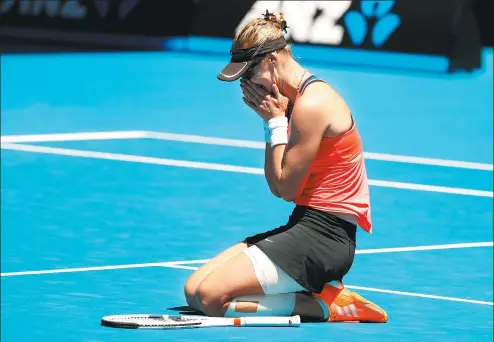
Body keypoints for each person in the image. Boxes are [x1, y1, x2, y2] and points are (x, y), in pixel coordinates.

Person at [183, 11, 388, 323]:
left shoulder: (311, 105)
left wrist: (276, 122)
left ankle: (324, 305)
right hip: (304, 225)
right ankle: (317, 293)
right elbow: (278, 187)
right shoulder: (289, 102)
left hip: (325, 240)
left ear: (274, 59)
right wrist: (272, 124)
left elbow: (287, 188)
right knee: (193, 289)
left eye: (250, 73)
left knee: (211, 299)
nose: (247, 84)